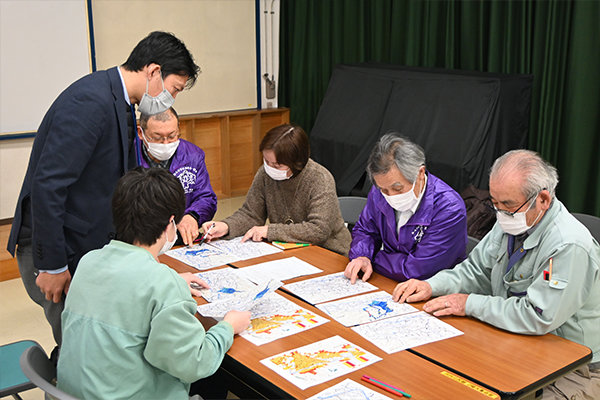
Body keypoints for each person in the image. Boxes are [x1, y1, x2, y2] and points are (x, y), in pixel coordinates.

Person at [6, 31, 200, 348]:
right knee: (80, 349)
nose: (171, 100)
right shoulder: (90, 102)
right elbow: (48, 185)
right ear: (153, 72)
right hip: (59, 251)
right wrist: (52, 265)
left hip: (85, 244)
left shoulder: (118, 100)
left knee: (95, 341)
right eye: (174, 90)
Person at [393, 149, 600, 399]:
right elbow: (475, 271)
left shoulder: (569, 245)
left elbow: (536, 315)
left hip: (573, 367)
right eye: (495, 203)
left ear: (543, 199)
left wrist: (468, 303)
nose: (501, 213)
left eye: (508, 205)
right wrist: (432, 285)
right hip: (517, 343)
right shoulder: (511, 222)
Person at [56, 167, 250, 399]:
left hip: (76, 392)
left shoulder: (89, 261)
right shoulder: (162, 284)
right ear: (171, 223)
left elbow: (124, 291)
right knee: (216, 379)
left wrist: (171, 282)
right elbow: (195, 364)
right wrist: (228, 326)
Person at [202, 124, 351, 255]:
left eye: (278, 165)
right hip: (289, 250)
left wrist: (269, 231)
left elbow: (318, 230)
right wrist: (226, 226)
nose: (270, 168)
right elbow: (251, 214)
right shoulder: (265, 174)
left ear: (298, 163)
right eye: (266, 161)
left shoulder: (320, 179)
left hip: (328, 252)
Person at [345, 133, 467, 283]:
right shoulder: (379, 190)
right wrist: (362, 256)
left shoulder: (449, 208)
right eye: (384, 190)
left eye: (398, 188)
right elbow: (366, 230)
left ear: (420, 173)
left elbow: (418, 270)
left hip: (433, 291)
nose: (390, 195)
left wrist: (374, 257)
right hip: (387, 280)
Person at [137, 107, 217, 246]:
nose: (166, 143)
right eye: (157, 138)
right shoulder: (128, 156)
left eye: (172, 136)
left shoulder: (193, 155)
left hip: (181, 239)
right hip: (140, 241)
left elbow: (206, 197)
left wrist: (192, 216)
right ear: (141, 133)